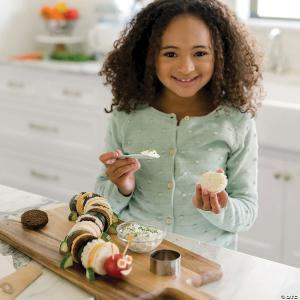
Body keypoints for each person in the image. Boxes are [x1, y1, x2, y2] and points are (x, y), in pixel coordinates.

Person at [94, 0, 265, 250]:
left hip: (207, 262)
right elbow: (101, 200)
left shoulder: (235, 121)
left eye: (200, 53)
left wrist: (219, 207)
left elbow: (247, 213)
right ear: (148, 56)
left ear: (221, 54)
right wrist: (121, 188)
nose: (186, 67)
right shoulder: (127, 113)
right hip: (137, 257)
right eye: (170, 53)